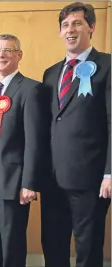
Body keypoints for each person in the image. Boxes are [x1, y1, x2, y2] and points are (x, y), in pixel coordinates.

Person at [41, 3, 111, 267]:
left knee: (88, 247)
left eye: (77, 23)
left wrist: (110, 172)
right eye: (65, 25)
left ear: (91, 27)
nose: (71, 29)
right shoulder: (50, 73)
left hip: (89, 178)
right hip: (52, 178)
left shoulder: (107, 65)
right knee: (53, 245)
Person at [0, 34, 46, 267]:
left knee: (11, 243)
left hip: (13, 180)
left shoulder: (31, 89)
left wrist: (29, 183)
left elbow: (35, 140)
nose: (1, 55)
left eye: (7, 50)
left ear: (19, 55)